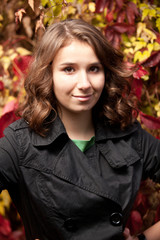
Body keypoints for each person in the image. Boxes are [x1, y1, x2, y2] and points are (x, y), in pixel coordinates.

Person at [0, 19, 160, 240]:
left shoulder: (130, 137)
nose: (84, 83)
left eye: (94, 69)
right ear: (49, 74)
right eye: (69, 69)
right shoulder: (20, 144)